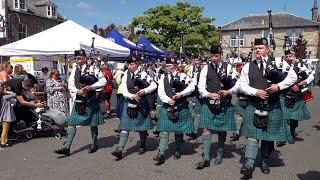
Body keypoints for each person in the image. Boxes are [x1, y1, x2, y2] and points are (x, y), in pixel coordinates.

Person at [239, 38, 297, 179]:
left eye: (261, 48)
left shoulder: (278, 62)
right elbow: (242, 85)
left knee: (268, 136)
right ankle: (249, 164)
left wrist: (278, 86)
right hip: (254, 104)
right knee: (252, 135)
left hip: (272, 105)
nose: (257, 50)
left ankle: (264, 161)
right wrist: (255, 92)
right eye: (255, 48)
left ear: (267, 49)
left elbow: (293, 77)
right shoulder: (248, 66)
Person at [53, 49, 107, 156]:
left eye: (81, 58)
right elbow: (70, 84)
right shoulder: (74, 69)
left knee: (93, 123)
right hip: (79, 99)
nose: (79, 60)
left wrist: (91, 87)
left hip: (91, 99)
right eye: (77, 58)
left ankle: (94, 144)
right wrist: (77, 91)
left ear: (85, 58)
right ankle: (67, 147)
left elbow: (103, 81)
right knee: (72, 123)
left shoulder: (93, 68)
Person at [195, 45, 238, 169]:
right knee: (206, 129)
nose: (214, 58)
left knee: (221, 129)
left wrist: (228, 92)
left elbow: (236, 85)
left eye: (216, 56)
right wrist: (208, 94)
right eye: (212, 56)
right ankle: (206, 157)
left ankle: (219, 152)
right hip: (209, 103)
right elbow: (201, 86)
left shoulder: (229, 67)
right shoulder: (205, 69)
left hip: (224, 103)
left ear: (221, 55)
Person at [111, 55, 157, 160]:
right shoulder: (125, 75)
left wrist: (144, 91)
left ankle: (142, 145)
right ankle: (120, 149)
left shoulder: (143, 74)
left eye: (132, 64)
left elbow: (154, 85)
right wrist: (132, 96)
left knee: (142, 127)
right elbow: (124, 90)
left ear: (137, 64)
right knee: (125, 127)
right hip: (129, 102)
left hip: (141, 103)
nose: (130, 66)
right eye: (129, 64)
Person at [153, 57, 195, 165]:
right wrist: (168, 100)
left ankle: (177, 150)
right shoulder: (162, 77)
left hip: (180, 105)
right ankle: (161, 154)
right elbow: (160, 91)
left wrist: (181, 94)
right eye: (167, 66)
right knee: (164, 129)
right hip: (168, 105)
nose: (168, 68)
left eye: (170, 66)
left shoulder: (183, 76)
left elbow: (191, 87)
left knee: (178, 130)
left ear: (175, 66)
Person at [277, 49, 312, 146]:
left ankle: (291, 133)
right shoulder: (280, 66)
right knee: (284, 117)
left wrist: (303, 83)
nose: (289, 58)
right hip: (284, 94)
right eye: (287, 56)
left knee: (294, 119)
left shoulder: (300, 65)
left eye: (290, 56)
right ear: (284, 57)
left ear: (293, 57)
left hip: (297, 96)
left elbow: (310, 76)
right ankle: (283, 137)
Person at [0, 83, 17, 148]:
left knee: (5, 129)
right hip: (5, 116)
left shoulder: (5, 97)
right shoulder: (5, 97)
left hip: (5, 115)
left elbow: (13, 102)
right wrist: (6, 91)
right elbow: (14, 94)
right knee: (5, 129)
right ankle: (3, 142)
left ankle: (4, 140)